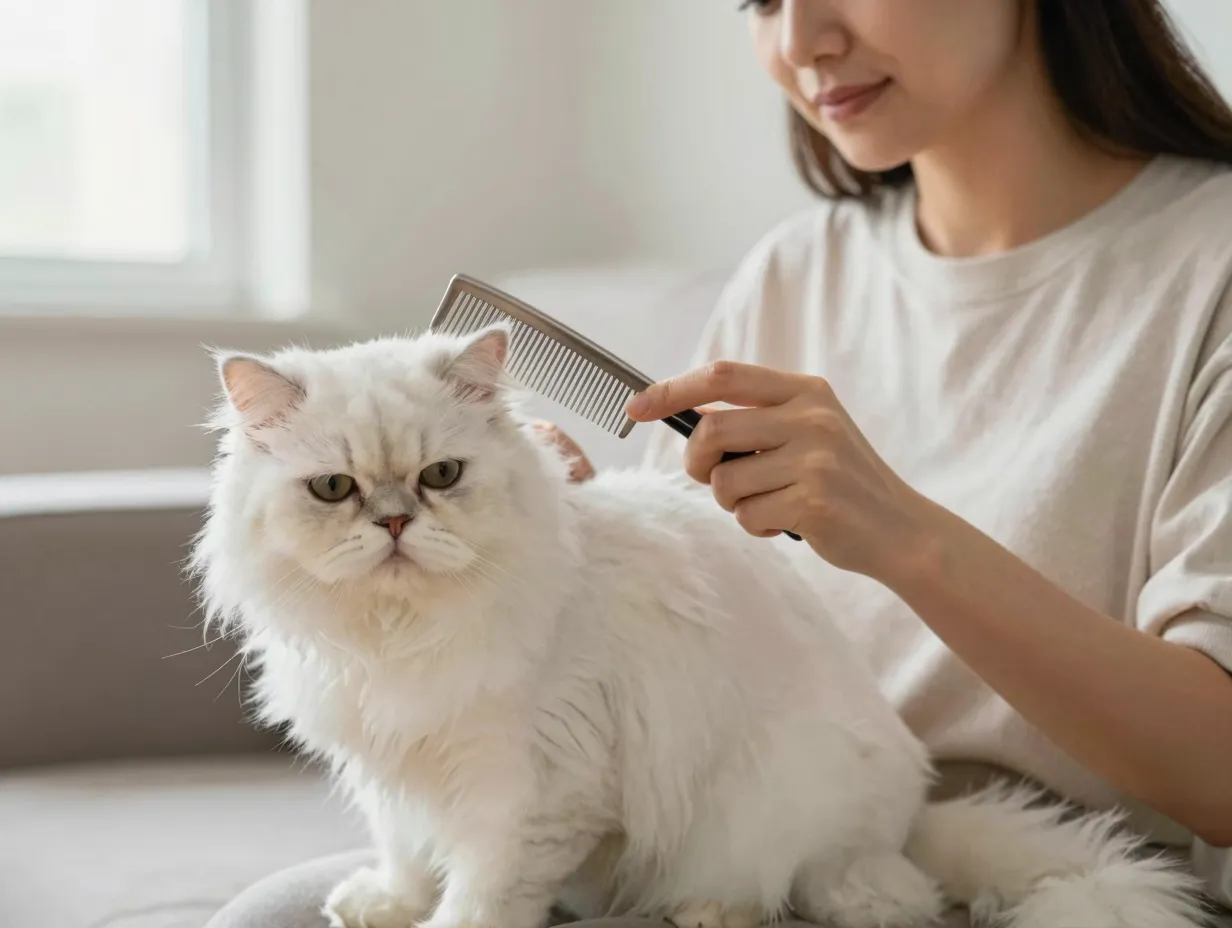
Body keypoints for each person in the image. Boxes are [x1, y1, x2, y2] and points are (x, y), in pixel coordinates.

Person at [206, 1, 1232, 925]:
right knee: (276, 916)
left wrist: (904, 536)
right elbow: (668, 627)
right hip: (730, 833)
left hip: (1042, 883)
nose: (798, 44)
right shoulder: (799, 268)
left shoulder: (1207, 267)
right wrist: (561, 528)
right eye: (760, 1)